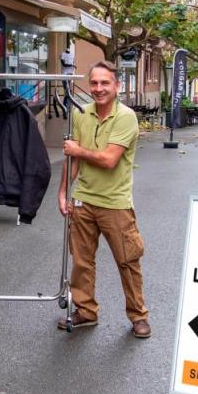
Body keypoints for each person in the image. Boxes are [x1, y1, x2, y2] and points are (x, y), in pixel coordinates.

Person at [57, 60, 150, 338]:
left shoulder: (126, 117)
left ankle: (138, 316)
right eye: (94, 83)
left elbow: (109, 159)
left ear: (117, 86)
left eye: (104, 83)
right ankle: (85, 311)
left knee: (127, 261)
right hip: (83, 200)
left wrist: (77, 149)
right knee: (82, 262)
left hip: (115, 204)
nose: (98, 89)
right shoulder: (81, 114)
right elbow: (72, 160)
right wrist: (63, 192)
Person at [60, 46, 76, 114]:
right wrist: (72, 65)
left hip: (70, 74)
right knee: (67, 91)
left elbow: (73, 63)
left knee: (68, 91)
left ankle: (66, 107)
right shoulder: (62, 54)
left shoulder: (72, 55)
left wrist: (73, 66)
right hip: (64, 75)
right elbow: (64, 64)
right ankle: (65, 107)